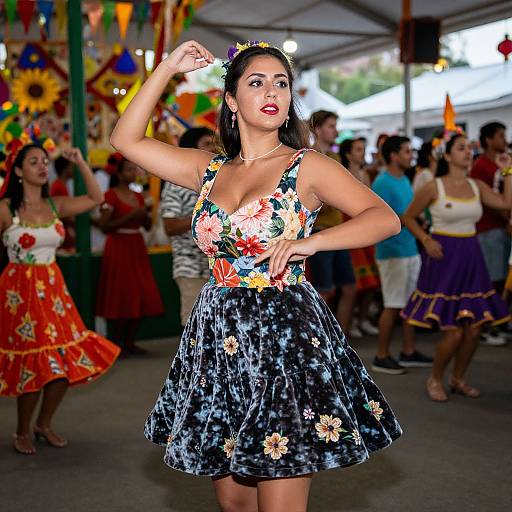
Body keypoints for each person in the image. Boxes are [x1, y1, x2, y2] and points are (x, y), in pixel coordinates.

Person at [111, 40, 402, 512]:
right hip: (218, 337)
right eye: (256, 81)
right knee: (236, 504)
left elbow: (383, 217)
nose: (273, 92)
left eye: (282, 82)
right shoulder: (208, 170)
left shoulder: (306, 165)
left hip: (285, 335)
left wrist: (312, 242)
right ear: (231, 99)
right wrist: (166, 67)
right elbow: (125, 140)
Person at [0, 141, 120, 455]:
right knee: (34, 362)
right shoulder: (5, 209)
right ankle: (22, 430)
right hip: (18, 294)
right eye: (33, 162)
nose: (42, 166)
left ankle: (43, 423)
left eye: (44, 161)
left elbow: (96, 198)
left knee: (63, 362)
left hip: (53, 290)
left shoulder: (56, 205)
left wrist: (80, 162)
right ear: (18, 171)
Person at [401, 134, 512, 401]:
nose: (467, 153)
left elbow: (506, 204)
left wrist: (508, 169)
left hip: (471, 256)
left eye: (469, 149)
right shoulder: (434, 186)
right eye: (461, 148)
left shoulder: (476, 186)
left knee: (475, 328)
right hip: (444, 257)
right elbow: (408, 216)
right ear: (447, 156)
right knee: (452, 330)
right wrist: (426, 239)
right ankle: (435, 378)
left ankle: (458, 378)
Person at [371, 136, 433, 374]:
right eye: (406, 151)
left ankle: (408, 351)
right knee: (393, 304)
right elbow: (379, 219)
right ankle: (381, 355)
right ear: (393, 155)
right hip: (392, 251)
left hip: (409, 248)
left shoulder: (404, 179)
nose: (411, 156)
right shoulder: (382, 183)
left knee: (410, 303)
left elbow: (408, 213)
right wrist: (409, 223)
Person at [96, 154, 164, 355]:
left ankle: (129, 341)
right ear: (118, 173)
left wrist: (146, 216)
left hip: (136, 245)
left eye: (135, 169)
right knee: (121, 293)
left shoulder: (139, 197)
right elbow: (104, 226)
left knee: (141, 291)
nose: (134, 173)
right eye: (129, 169)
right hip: (118, 246)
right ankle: (116, 342)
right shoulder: (110, 195)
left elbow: (146, 225)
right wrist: (131, 216)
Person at [308, 111, 358, 337]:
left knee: (348, 287)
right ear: (317, 129)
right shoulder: (308, 157)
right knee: (324, 290)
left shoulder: (335, 159)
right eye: (330, 126)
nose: (335, 131)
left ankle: (341, 337)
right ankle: (321, 338)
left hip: (338, 230)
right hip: (319, 231)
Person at [160, 127, 214, 326]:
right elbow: (170, 225)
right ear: (192, 149)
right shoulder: (176, 182)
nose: (214, 148)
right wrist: (206, 217)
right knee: (195, 324)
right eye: (207, 144)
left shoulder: (217, 177)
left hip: (218, 267)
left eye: (214, 143)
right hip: (190, 267)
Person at [470, 122, 510, 346]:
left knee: (502, 277)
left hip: (500, 227)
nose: (504, 139)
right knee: (493, 278)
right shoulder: (480, 166)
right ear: (488, 140)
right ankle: (488, 324)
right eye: (500, 135)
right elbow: (490, 201)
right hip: (488, 228)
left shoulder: (502, 162)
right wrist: (506, 217)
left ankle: (498, 321)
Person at [339, 138, 380, 336]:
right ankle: (352, 321)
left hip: (364, 224)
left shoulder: (365, 174)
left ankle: (361, 319)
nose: (361, 153)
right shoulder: (343, 174)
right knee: (353, 282)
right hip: (348, 225)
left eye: (363, 149)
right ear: (348, 154)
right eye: (357, 150)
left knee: (371, 280)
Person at [50, 155, 75, 251]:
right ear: (66, 168)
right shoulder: (59, 186)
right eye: (72, 166)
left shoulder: (61, 185)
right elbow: (62, 213)